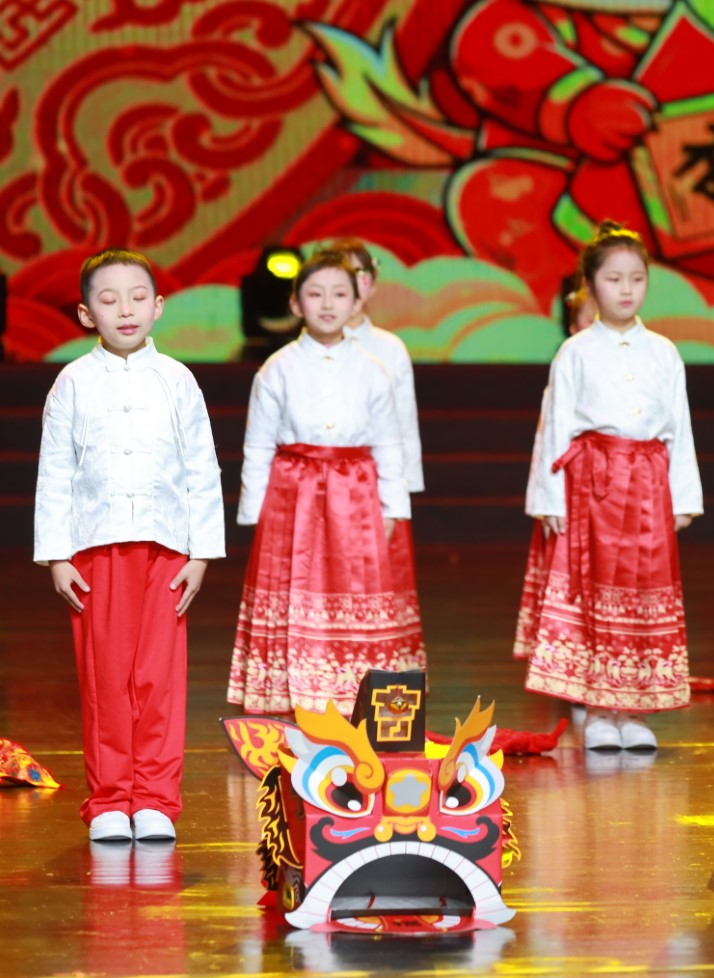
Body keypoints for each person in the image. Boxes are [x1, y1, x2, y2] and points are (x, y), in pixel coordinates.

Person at [34, 248, 225, 842]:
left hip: (166, 548)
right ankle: (111, 799)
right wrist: (57, 554)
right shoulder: (72, 381)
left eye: (138, 297)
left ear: (158, 306)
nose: (125, 310)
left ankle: (157, 800)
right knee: (105, 679)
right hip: (96, 549)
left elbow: (202, 467)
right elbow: (55, 471)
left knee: (158, 680)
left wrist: (201, 553)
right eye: (109, 299)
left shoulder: (178, 380)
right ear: (86, 313)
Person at [516, 221, 702, 753]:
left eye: (636, 279)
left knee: (642, 594)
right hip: (591, 485)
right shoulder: (575, 352)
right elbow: (555, 428)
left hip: (647, 483)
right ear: (591, 284)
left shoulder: (663, 351)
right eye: (613, 278)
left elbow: (679, 427)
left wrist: (683, 497)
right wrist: (549, 499)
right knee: (595, 592)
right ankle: (598, 709)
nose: (626, 289)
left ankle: (634, 709)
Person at [229, 250, 423, 716]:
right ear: (296, 304)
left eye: (339, 294)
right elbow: (258, 444)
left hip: (356, 493)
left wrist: (393, 508)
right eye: (315, 294)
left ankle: (353, 699)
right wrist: (255, 513)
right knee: (294, 591)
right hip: (292, 493)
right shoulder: (277, 367)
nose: (328, 304)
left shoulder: (372, 368)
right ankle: (295, 704)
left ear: (357, 301)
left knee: (355, 591)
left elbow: (388, 444)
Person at [312, 238, 424, 650]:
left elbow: (404, 422)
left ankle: (379, 664)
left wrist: (401, 494)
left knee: (380, 582)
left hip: (376, 487)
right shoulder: (300, 355)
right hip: (320, 486)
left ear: (371, 284)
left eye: (357, 275)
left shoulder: (389, 349)